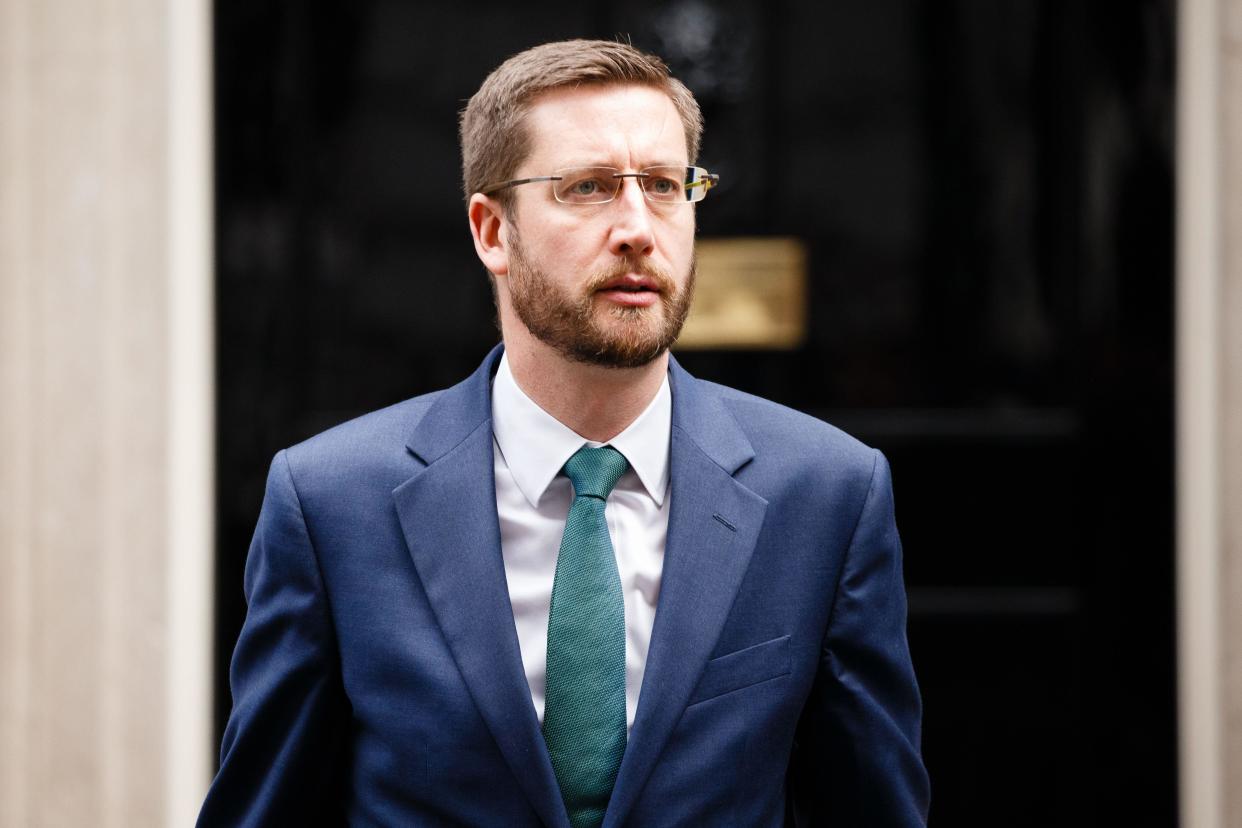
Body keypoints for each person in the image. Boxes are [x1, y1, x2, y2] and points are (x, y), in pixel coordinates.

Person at [198, 39, 929, 827]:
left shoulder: (825, 492)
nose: (638, 228)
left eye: (662, 185)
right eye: (587, 187)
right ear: (491, 231)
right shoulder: (333, 501)